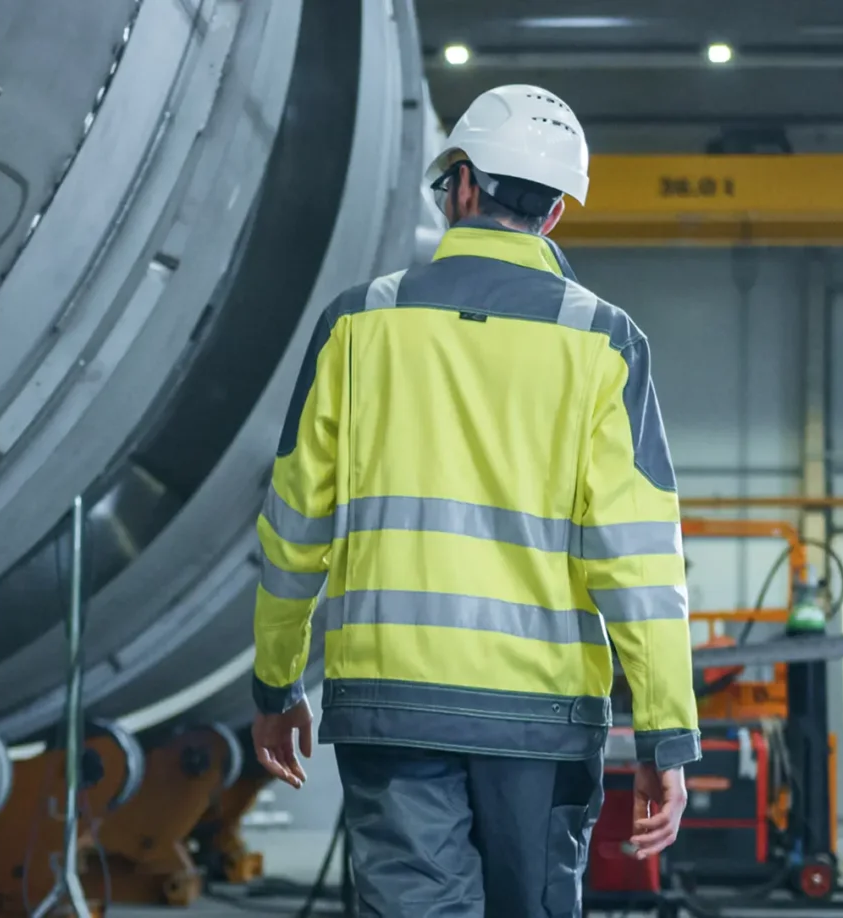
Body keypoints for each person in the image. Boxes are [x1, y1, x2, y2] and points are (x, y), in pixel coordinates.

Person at [247, 84, 697, 918]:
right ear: (554, 213)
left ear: (459, 186)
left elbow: (294, 527)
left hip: (390, 701)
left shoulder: (357, 325)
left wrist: (277, 686)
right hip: (542, 714)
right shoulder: (602, 342)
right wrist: (665, 734)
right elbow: (639, 560)